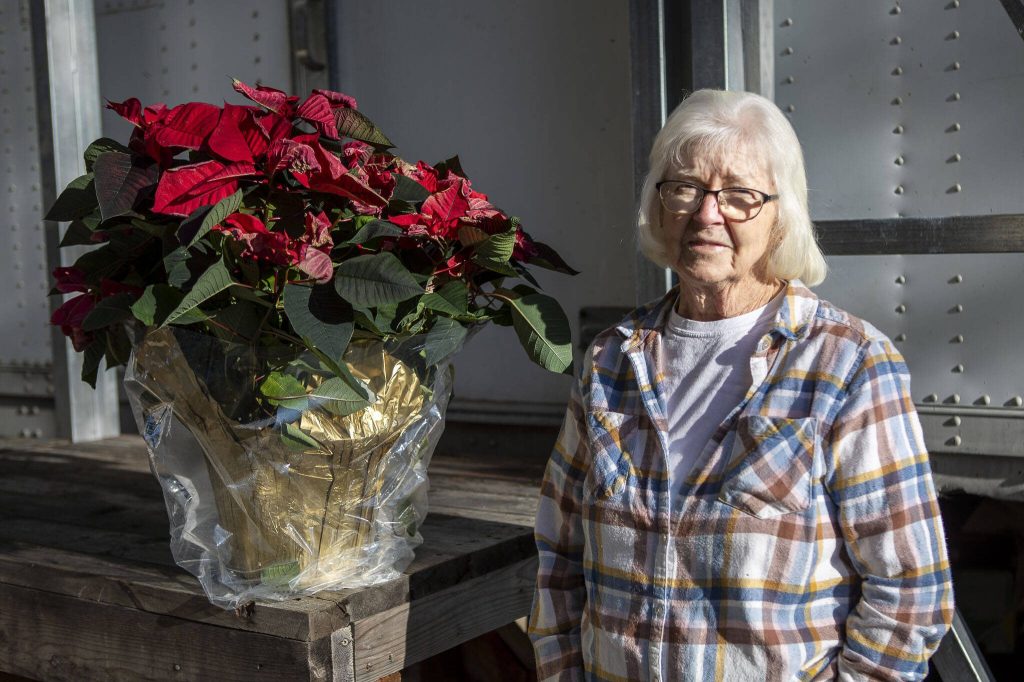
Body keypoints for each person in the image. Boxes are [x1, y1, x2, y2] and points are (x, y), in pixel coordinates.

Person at [528, 89, 953, 681]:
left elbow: (911, 591)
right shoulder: (610, 360)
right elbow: (559, 556)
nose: (707, 214)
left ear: (782, 215)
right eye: (685, 188)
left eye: (740, 196)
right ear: (657, 205)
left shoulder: (848, 363)